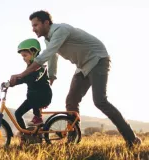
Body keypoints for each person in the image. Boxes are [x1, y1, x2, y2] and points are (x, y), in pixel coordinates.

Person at [9, 10, 141, 148]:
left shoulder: (60, 30)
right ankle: (73, 138)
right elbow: (53, 56)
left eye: (36, 25)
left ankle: (132, 139)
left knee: (100, 101)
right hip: (82, 66)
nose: (33, 29)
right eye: (32, 26)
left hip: (98, 59)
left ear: (46, 23)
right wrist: (52, 76)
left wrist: (21, 75)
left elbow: (45, 56)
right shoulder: (48, 39)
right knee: (71, 101)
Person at [11, 38, 52, 146]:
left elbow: (32, 78)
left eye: (25, 55)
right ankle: (25, 137)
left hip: (43, 96)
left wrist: (19, 78)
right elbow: (26, 78)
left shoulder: (41, 66)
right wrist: (11, 83)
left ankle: (38, 118)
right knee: (18, 113)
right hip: (33, 99)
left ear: (34, 52)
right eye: (22, 56)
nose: (23, 58)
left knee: (32, 95)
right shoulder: (29, 67)